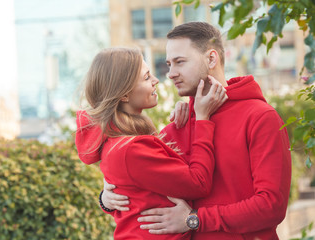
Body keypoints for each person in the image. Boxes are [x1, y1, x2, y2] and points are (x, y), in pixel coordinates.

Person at [102, 22, 292, 240]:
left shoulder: (261, 117)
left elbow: (271, 206)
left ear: (211, 59)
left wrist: (194, 219)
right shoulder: (179, 124)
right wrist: (107, 196)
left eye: (180, 62)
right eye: (168, 64)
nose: (170, 74)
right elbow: (142, 186)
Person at [75, 47, 227, 239]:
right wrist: (203, 119)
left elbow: (138, 197)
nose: (156, 80)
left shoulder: (118, 141)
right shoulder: (131, 149)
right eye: (147, 77)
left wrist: (188, 121)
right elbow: (198, 183)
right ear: (124, 95)